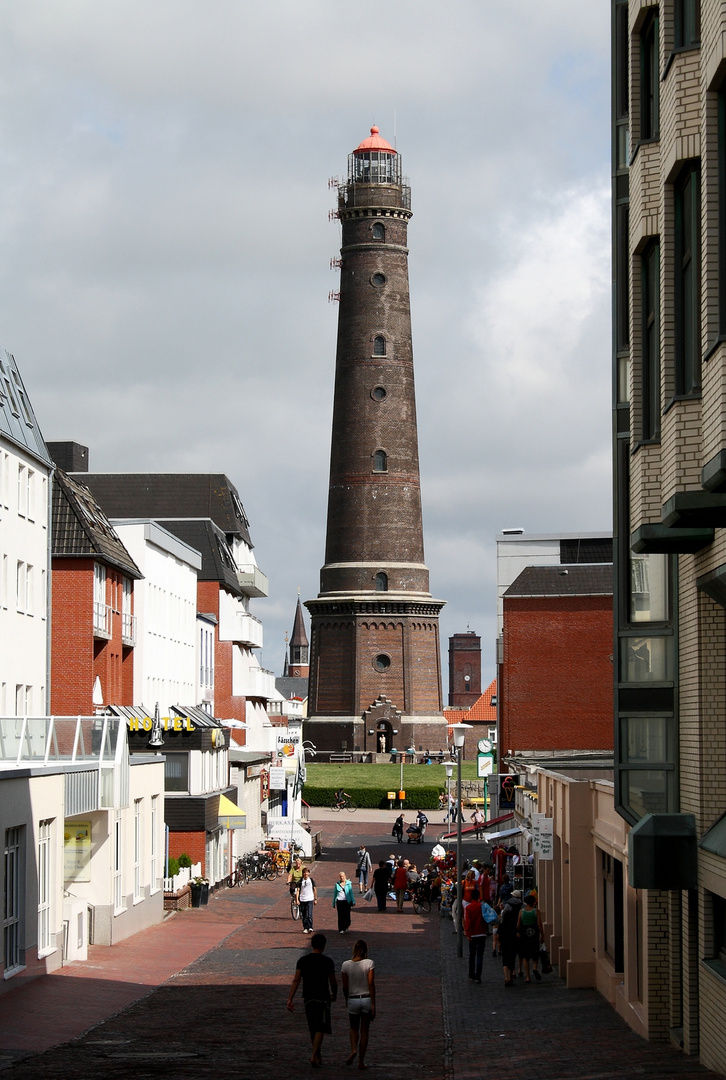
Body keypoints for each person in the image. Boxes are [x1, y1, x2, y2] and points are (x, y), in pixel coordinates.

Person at [287, 932, 338, 1068]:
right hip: (323, 997)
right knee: (321, 1026)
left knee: (312, 1027)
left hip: (308, 997)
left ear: (311, 945)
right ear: (324, 946)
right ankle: (314, 1055)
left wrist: (290, 998)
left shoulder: (302, 961)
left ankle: (318, 1055)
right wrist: (335, 993)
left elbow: (296, 979)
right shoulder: (328, 962)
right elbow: (333, 981)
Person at [342, 939, 376, 1070]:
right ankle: (361, 1061)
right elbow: (371, 984)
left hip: (353, 999)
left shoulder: (346, 965)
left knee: (353, 1027)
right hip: (366, 998)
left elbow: (345, 987)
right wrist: (373, 1003)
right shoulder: (369, 963)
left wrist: (347, 999)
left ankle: (353, 1049)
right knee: (365, 1030)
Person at [517, 893, 544, 982]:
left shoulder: (521, 911)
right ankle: (535, 968)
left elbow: (518, 924)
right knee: (535, 954)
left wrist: (518, 932)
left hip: (525, 934)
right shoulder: (536, 911)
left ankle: (528, 977)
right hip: (534, 933)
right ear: (533, 902)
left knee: (525, 956)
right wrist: (542, 934)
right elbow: (539, 924)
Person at [499, 889, 523, 987]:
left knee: (505, 959)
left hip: (505, 941)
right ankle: (517, 970)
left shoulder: (508, 905)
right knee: (517, 954)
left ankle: (506, 978)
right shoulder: (522, 905)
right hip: (517, 932)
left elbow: (499, 934)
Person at [463, 888, 487, 983]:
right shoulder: (482, 906)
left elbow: (468, 922)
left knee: (472, 955)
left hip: (473, 934)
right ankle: (478, 976)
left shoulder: (468, 908)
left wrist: (468, 933)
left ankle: (471, 974)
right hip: (481, 933)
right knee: (480, 955)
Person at [296, 866, 318, 934]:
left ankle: (310, 926)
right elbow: (298, 891)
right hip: (302, 899)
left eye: (307, 873)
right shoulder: (300, 881)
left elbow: (314, 889)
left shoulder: (311, 880)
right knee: (304, 914)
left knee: (309, 914)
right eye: (304, 873)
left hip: (310, 899)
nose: (306, 874)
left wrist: (315, 898)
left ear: (309, 873)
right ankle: (305, 927)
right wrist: (297, 899)